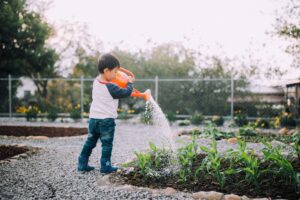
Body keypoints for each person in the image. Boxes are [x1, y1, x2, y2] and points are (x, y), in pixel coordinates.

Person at [77, 53, 134, 174]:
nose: (116, 75)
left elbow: (111, 84)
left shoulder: (96, 81)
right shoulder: (111, 87)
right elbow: (125, 93)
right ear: (106, 70)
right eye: (115, 72)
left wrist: (116, 77)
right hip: (106, 121)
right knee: (107, 144)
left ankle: (82, 163)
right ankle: (105, 166)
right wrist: (130, 83)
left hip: (93, 119)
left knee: (90, 142)